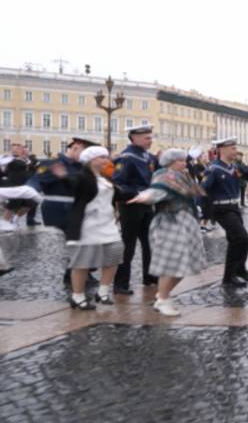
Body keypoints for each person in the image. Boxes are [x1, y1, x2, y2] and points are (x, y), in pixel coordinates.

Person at [125, 149, 208, 316]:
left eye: (184, 160)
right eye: (180, 161)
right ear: (170, 162)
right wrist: (144, 197)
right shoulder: (164, 176)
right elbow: (156, 192)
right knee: (172, 264)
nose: (184, 163)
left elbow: (195, 193)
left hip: (186, 221)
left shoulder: (181, 176)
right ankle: (163, 299)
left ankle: (162, 295)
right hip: (171, 223)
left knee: (187, 264)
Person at [201, 137, 248, 287]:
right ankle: (232, 275)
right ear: (222, 150)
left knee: (236, 240)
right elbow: (203, 189)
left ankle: (236, 273)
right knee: (242, 238)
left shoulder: (235, 166)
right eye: (233, 148)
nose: (236, 151)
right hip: (221, 209)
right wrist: (199, 208)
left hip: (234, 207)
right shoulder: (213, 168)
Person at [28, 137, 98, 288]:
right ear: (76, 147)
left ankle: (81, 271)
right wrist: (24, 197)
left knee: (83, 241)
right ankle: (73, 275)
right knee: (76, 242)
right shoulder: (53, 164)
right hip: (60, 209)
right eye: (86, 152)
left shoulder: (83, 166)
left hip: (79, 208)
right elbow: (36, 182)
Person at [61, 146, 123, 310]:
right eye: (102, 157)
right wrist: (64, 177)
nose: (106, 160)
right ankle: (78, 296)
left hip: (107, 223)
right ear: (90, 160)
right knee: (83, 262)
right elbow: (72, 184)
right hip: (88, 224)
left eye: (106, 157)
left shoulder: (104, 177)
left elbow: (118, 194)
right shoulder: (81, 176)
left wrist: (141, 195)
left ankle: (102, 292)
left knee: (114, 255)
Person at [112, 124, 159, 299]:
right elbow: (118, 184)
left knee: (150, 242)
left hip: (146, 205)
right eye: (147, 138)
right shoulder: (127, 157)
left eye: (151, 137)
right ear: (134, 138)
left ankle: (150, 276)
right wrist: (139, 194)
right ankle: (121, 283)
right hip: (131, 205)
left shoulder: (148, 156)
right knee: (128, 245)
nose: (150, 140)